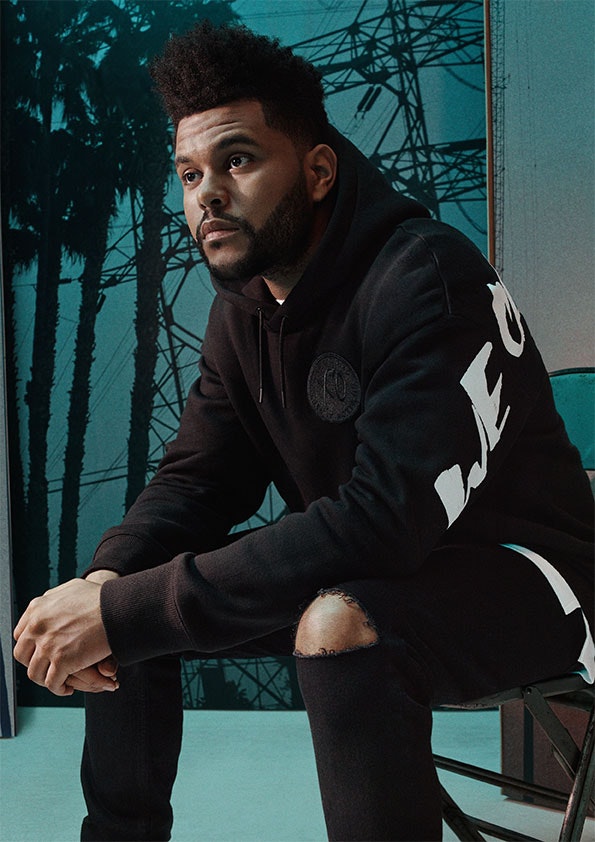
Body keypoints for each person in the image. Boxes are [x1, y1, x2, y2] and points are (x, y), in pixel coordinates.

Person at [13, 21, 594, 842]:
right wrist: (108, 582)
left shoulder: (425, 276)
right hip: (380, 568)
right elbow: (196, 482)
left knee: (332, 622)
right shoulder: (243, 311)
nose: (207, 195)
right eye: (189, 173)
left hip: (536, 577)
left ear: (317, 170)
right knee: (127, 594)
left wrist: (128, 609)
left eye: (237, 161)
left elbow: (379, 522)